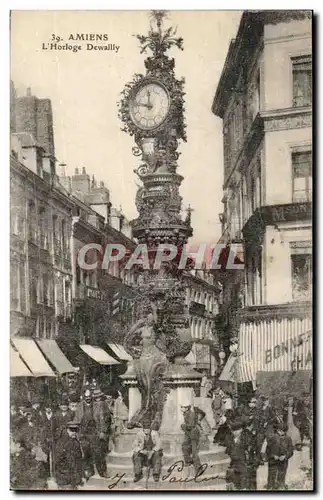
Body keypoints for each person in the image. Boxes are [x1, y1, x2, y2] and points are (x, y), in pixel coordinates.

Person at [225, 415, 258, 490]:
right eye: (233, 431)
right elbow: (229, 451)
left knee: (246, 484)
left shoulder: (246, 438)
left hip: (245, 463)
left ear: (240, 430)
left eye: (236, 430)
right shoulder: (231, 439)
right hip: (235, 463)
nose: (234, 432)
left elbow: (251, 452)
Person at [55, 421, 84, 490]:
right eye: (72, 430)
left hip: (73, 477)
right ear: (67, 430)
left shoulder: (75, 441)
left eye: (76, 430)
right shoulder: (62, 442)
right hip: (65, 477)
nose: (74, 432)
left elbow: (78, 459)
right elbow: (58, 461)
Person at [266, 421, 294, 490]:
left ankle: (281, 487)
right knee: (272, 476)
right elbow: (267, 450)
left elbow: (291, 451)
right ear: (277, 430)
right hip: (273, 461)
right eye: (279, 430)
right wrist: (273, 456)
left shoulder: (288, 439)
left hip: (283, 462)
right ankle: (270, 487)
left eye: (283, 431)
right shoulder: (272, 438)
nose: (281, 432)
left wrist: (285, 456)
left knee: (281, 476)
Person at [180, 404, 202, 474]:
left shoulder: (191, 414)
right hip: (188, 432)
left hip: (193, 433)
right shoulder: (186, 413)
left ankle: (198, 468)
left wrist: (183, 426)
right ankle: (188, 460)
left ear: (186, 408)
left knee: (194, 451)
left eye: (182, 407)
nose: (181, 408)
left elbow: (191, 425)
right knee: (184, 446)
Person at [92, 388, 108, 477]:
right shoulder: (92, 406)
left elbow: (106, 419)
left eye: (99, 397)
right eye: (96, 397)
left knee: (101, 453)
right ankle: (98, 470)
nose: (98, 398)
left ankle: (103, 471)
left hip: (102, 432)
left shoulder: (104, 405)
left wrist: (103, 431)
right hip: (94, 432)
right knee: (96, 453)